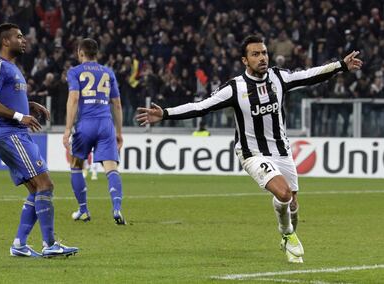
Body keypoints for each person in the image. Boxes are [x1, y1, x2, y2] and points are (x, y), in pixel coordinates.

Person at [136, 35, 362, 263]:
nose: (262, 57)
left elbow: (309, 75)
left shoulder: (278, 77)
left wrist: (341, 66)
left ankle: (287, 232)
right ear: (245, 60)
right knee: (282, 193)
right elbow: (200, 107)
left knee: (292, 203)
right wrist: (165, 113)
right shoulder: (235, 88)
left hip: (281, 150)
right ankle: (286, 234)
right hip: (252, 152)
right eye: (255, 54)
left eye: (264, 53)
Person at [0, 23, 78, 258]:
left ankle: (19, 244)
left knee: (37, 190)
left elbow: (10, 96)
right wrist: (19, 116)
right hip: (12, 134)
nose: (24, 40)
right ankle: (50, 244)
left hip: (17, 135)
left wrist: (29, 104)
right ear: (5, 41)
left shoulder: (13, 68)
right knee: (46, 184)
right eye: (19, 36)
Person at [63, 38, 125, 225]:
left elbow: (73, 99)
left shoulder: (75, 72)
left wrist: (67, 129)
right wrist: (119, 132)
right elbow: (117, 104)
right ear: (96, 53)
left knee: (76, 164)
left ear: (80, 53)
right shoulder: (108, 72)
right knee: (111, 169)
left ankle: (83, 210)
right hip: (106, 124)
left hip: (86, 124)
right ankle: (117, 208)